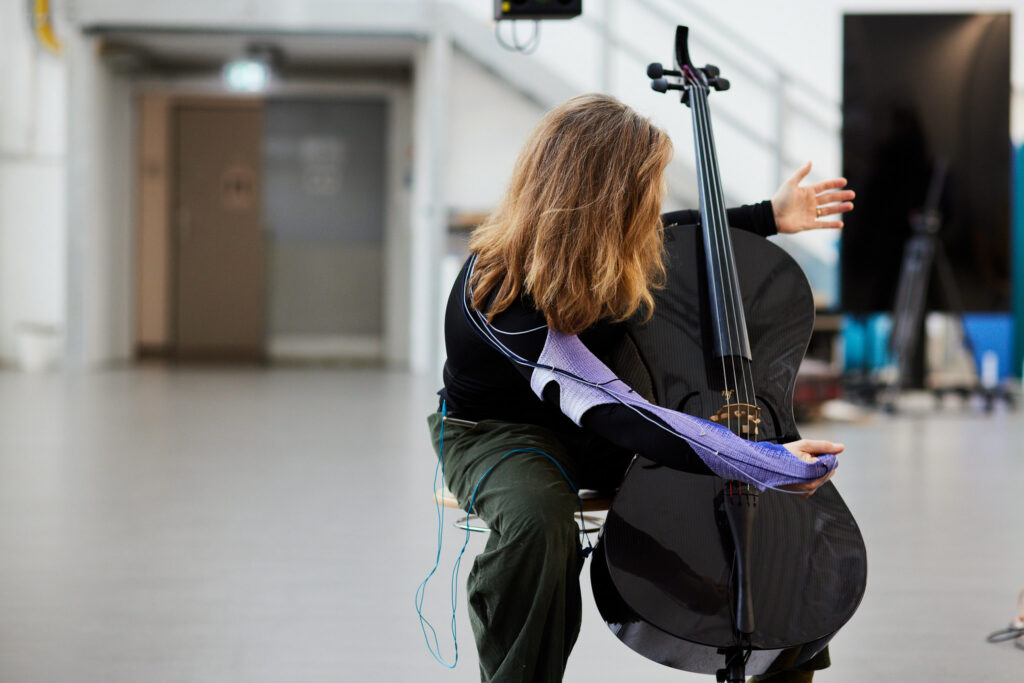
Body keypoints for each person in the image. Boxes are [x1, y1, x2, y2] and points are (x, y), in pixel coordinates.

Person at [426, 94, 854, 683]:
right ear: (600, 204)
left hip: (599, 425)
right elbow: (612, 409)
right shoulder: (496, 293)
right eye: (644, 191)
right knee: (538, 515)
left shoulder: (608, 247)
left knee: (756, 513)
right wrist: (757, 459)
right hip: (500, 435)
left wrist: (766, 216)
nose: (653, 204)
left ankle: (782, 660)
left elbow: (677, 230)